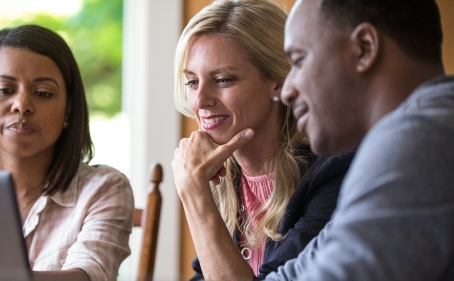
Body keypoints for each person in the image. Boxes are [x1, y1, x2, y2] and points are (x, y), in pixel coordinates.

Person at [188, 0, 453, 280]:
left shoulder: (419, 141)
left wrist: (194, 194)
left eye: (299, 61)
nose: (288, 90)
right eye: (191, 82)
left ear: (364, 48)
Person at [172, 0, 354, 280]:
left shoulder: (331, 173)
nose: (200, 100)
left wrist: (194, 194)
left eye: (222, 80)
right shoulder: (226, 175)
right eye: (192, 82)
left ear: (279, 81)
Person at [0, 24, 133, 281]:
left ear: (68, 111)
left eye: (43, 93)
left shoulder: (104, 189)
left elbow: (89, 275)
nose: (22, 105)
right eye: (5, 90)